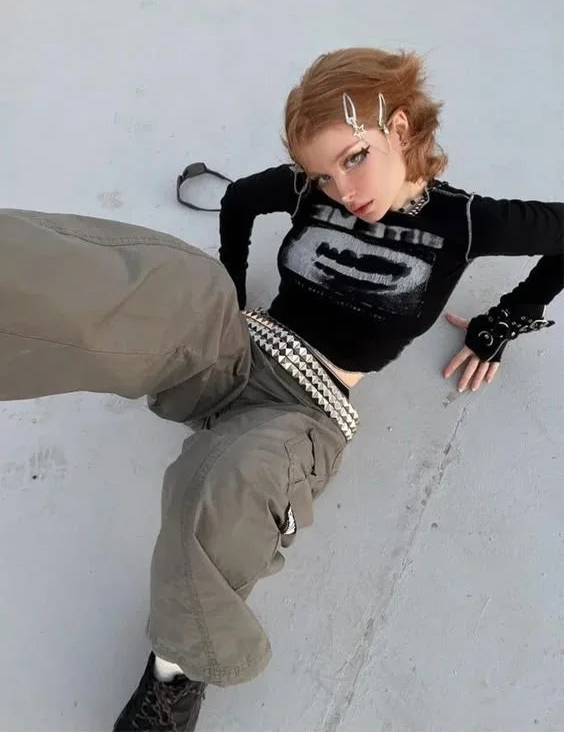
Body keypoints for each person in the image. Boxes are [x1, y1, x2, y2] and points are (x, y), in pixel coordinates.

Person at [1, 46, 562, 732]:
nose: (341, 190)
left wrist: (504, 322)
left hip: (303, 411)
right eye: (321, 174)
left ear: (404, 129)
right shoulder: (310, 189)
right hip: (230, 348)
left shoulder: (468, 222)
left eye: (353, 158)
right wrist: (232, 290)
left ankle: (176, 674)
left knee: (228, 485)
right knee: (159, 284)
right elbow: (239, 199)